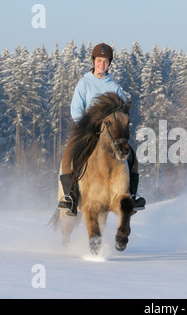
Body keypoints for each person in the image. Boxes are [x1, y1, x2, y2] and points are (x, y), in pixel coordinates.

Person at [58, 43, 146, 216]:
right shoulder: (84, 83)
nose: (102, 65)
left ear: (109, 64)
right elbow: (76, 109)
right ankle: (70, 197)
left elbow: (121, 113)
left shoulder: (114, 87)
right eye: (99, 61)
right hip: (88, 132)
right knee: (69, 153)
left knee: (133, 158)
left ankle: (132, 195)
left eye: (105, 62)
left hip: (110, 135)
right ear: (94, 61)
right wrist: (86, 127)